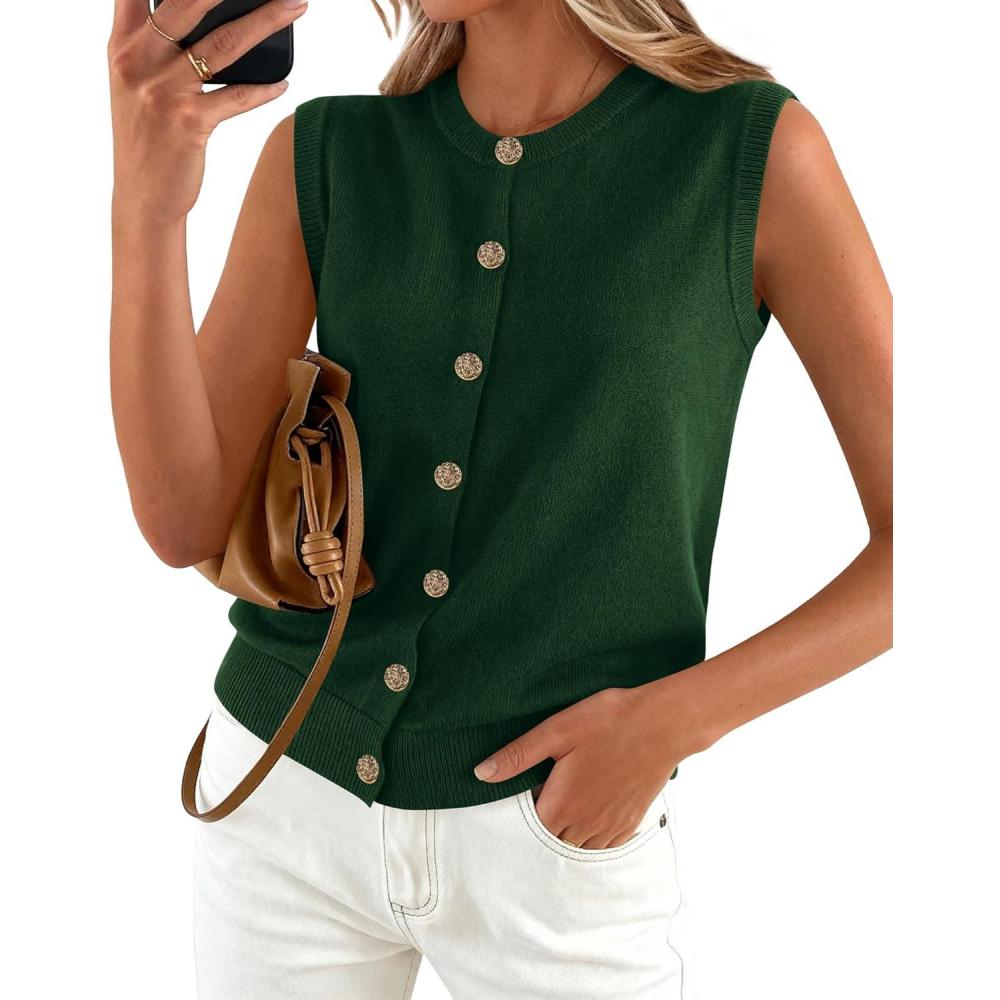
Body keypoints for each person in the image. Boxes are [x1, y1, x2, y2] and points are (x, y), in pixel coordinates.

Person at [107, 1, 892, 997]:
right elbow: (182, 522)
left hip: (557, 837)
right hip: (282, 801)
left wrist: (671, 721)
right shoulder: (330, 153)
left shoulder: (748, 152)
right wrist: (148, 205)